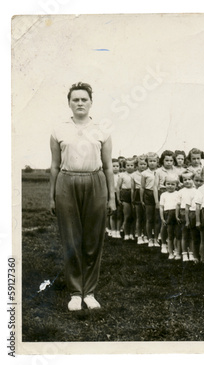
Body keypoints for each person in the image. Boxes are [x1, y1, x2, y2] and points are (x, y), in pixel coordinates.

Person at [49, 82, 115, 311]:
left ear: (91, 103)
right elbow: (55, 166)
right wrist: (51, 197)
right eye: (75, 99)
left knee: (93, 239)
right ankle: (76, 292)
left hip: (95, 182)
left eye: (83, 99)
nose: (79, 103)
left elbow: (108, 167)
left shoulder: (102, 129)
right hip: (66, 182)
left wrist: (112, 197)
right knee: (71, 239)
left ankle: (90, 292)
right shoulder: (59, 130)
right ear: (69, 103)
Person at [159, 173, 181, 257]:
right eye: (168, 184)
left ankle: (178, 252)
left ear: (176, 185)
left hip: (176, 214)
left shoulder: (178, 194)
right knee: (170, 235)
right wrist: (162, 218)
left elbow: (179, 205)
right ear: (165, 184)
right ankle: (170, 253)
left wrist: (178, 216)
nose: (170, 186)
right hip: (167, 214)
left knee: (178, 235)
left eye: (173, 184)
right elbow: (161, 207)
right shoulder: (163, 195)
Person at [140, 152, 159, 247]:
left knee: (157, 218)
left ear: (157, 161)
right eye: (150, 161)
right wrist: (141, 199)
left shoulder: (159, 172)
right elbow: (142, 187)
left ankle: (156, 238)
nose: (152, 163)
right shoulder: (144, 173)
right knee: (149, 218)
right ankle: (150, 238)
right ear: (147, 162)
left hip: (157, 194)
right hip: (148, 194)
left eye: (154, 161)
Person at [177, 171, 197, 261]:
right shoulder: (180, 192)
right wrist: (177, 215)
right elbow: (177, 205)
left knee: (192, 235)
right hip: (183, 213)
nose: (187, 181)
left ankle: (192, 253)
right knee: (184, 234)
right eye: (185, 180)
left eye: (189, 179)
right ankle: (184, 253)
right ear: (182, 181)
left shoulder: (196, 191)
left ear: (193, 180)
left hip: (193, 213)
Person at [116, 158, 135, 241]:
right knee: (127, 215)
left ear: (134, 166)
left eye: (132, 165)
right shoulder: (122, 175)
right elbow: (118, 187)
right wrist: (118, 198)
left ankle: (132, 233)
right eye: (128, 165)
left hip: (134, 194)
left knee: (134, 216)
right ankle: (126, 233)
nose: (130, 167)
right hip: (125, 194)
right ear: (125, 166)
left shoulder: (136, 174)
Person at [132, 156, 148, 244]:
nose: (143, 166)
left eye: (144, 164)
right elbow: (132, 188)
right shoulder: (134, 175)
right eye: (141, 164)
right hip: (137, 194)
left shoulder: (148, 173)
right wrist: (132, 199)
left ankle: (145, 235)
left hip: (147, 193)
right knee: (139, 217)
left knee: (146, 217)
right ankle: (139, 236)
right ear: (137, 165)